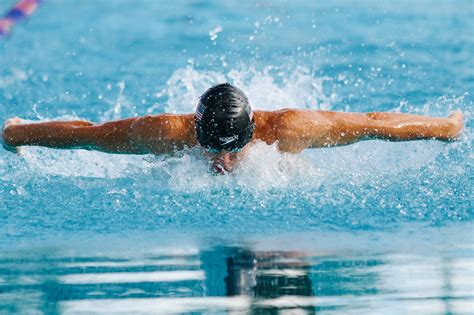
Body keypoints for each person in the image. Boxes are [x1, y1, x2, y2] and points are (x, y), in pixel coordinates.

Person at [2, 83, 464, 174]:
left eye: (232, 151)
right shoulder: (164, 132)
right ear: (195, 132)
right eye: (212, 150)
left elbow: (373, 125)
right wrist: (17, 133)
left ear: (252, 137)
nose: (221, 164)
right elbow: (89, 133)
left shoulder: (291, 129)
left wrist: (446, 127)